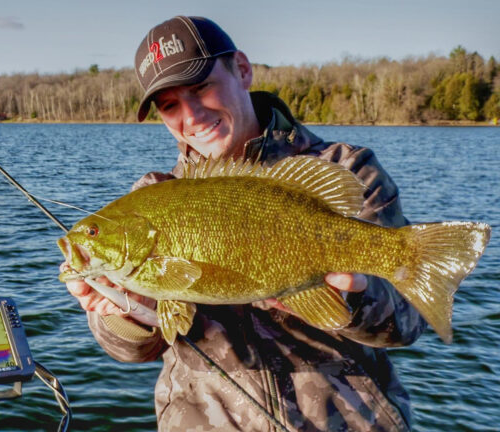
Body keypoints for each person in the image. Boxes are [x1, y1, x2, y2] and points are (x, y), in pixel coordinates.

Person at [63, 16, 425, 431]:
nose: (193, 114)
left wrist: (353, 300)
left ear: (243, 69)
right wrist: (127, 314)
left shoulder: (344, 169)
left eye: (201, 88)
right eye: (169, 105)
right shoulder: (150, 195)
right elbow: (129, 349)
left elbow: (408, 322)